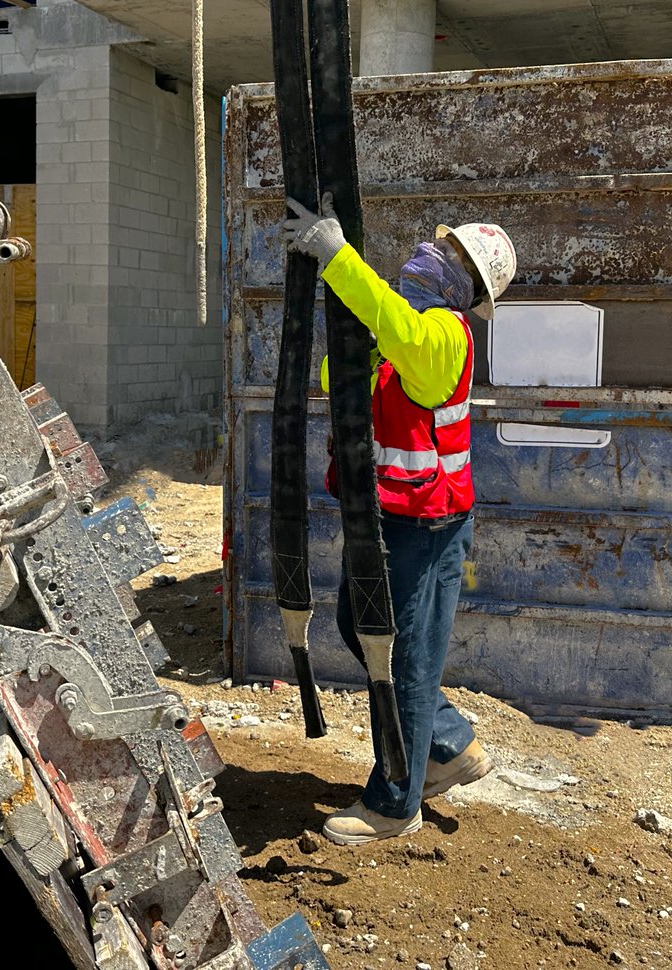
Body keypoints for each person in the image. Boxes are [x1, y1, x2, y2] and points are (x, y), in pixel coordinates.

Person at [281, 193, 517, 846]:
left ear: (467, 285)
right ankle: (450, 745)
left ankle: (394, 804)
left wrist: (338, 259)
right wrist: (347, 345)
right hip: (399, 520)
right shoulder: (406, 333)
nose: (432, 254)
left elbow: (401, 335)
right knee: (359, 628)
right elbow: (344, 379)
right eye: (442, 244)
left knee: (404, 662)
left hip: (426, 529)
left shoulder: (441, 334)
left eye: (450, 255)